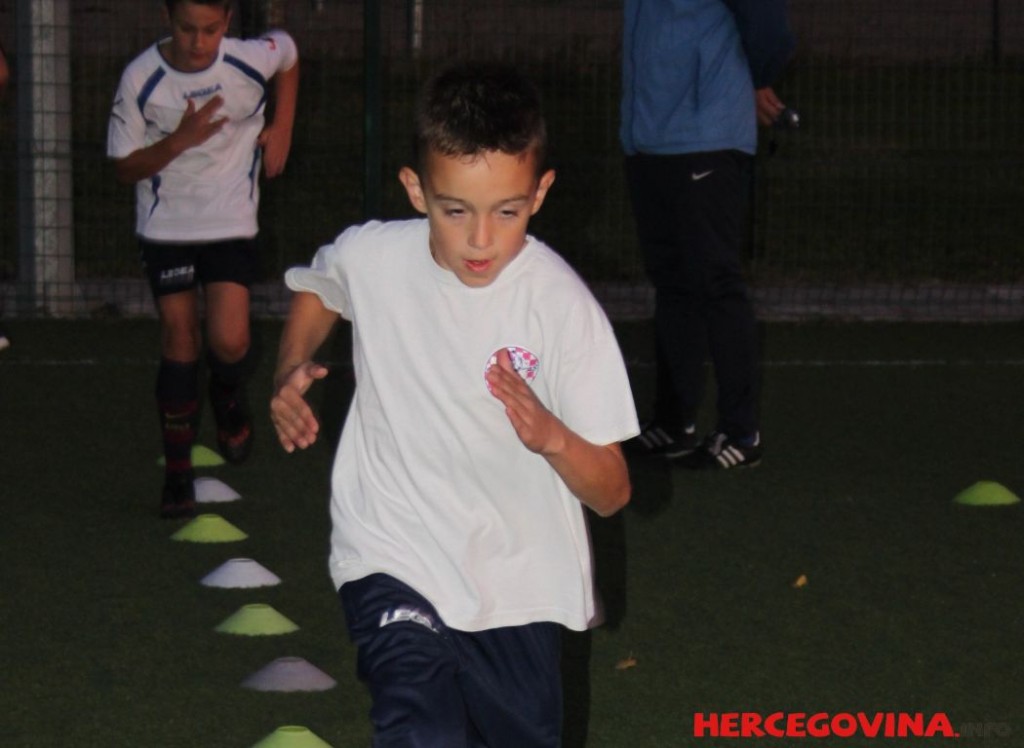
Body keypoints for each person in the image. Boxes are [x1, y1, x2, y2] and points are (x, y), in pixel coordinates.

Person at [270, 62, 639, 747]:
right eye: (455, 210)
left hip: (519, 589)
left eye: (507, 211)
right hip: (392, 553)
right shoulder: (376, 256)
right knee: (420, 723)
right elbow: (322, 285)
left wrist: (553, 437)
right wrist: (290, 368)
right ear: (416, 189)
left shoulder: (561, 308)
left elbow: (613, 492)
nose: (480, 239)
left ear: (540, 192)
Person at [107, 0, 299, 517]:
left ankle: (227, 391)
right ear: (167, 19)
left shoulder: (245, 61)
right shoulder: (142, 78)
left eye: (210, 30)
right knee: (180, 338)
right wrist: (178, 141)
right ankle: (177, 476)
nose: (198, 42)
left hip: (229, 218)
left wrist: (282, 125)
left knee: (231, 342)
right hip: (167, 224)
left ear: (227, 22)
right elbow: (124, 167)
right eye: (187, 29)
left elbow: (288, 55)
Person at [620, 0, 794, 468]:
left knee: (716, 284)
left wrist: (755, 79)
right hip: (646, 139)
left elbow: (770, 27)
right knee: (672, 284)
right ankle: (673, 422)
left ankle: (741, 432)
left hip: (706, 136)